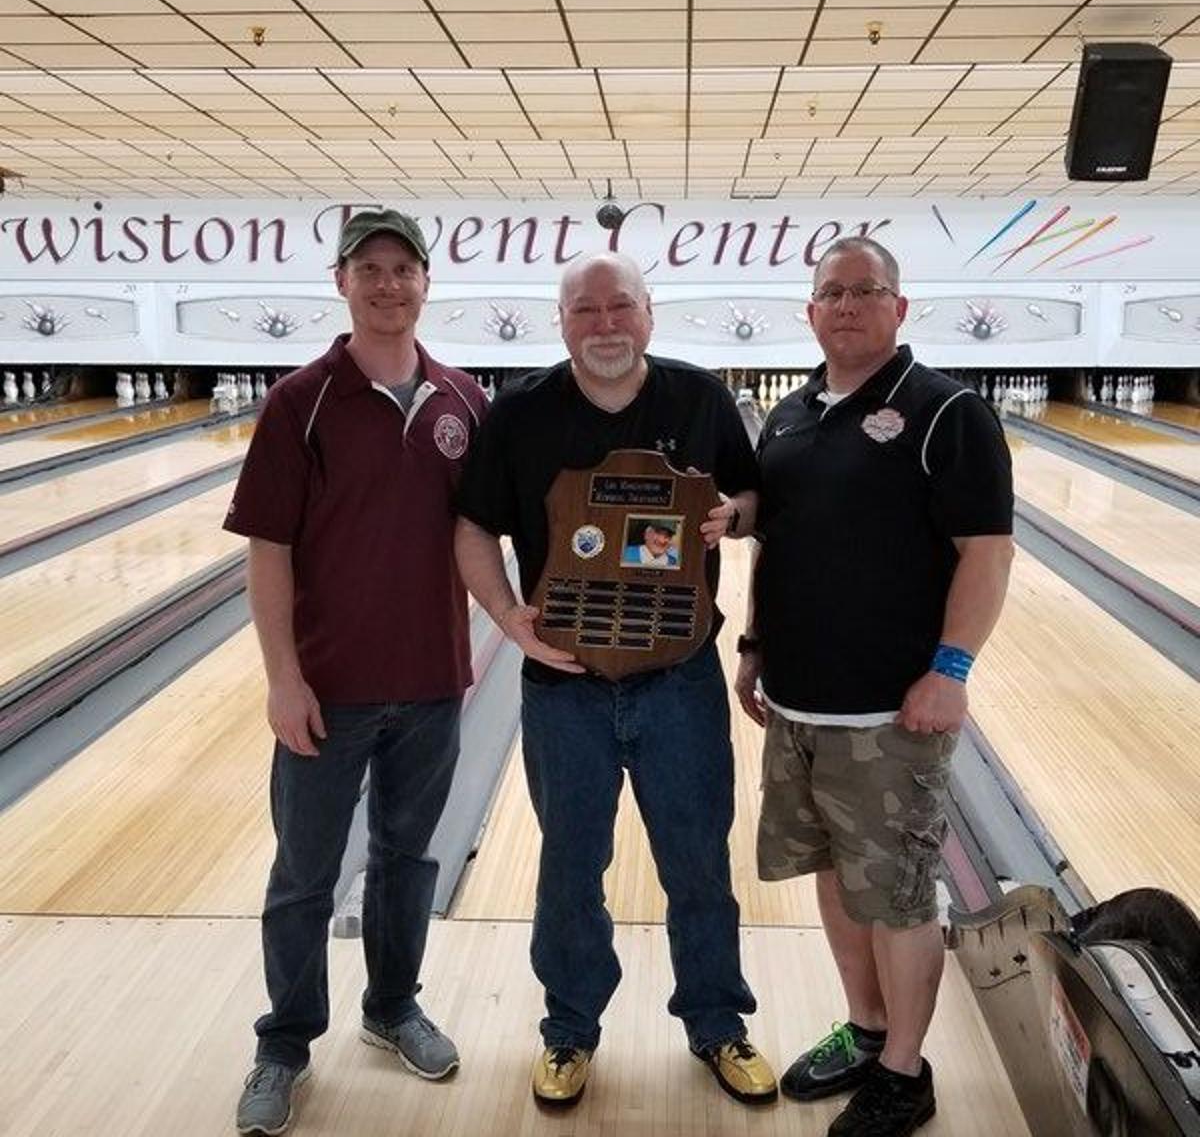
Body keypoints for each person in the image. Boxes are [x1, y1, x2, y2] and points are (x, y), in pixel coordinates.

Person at [454, 251, 777, 1108]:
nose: (605, 324)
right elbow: (473, 526)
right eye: (586, 310)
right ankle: (568, 1032)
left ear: (648, 313)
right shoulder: (519, 412)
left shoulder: (699, 397)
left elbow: (753, 496)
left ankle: (717, 1023)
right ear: (562, 322)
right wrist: (506, 616)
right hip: (564, 687)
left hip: (680, 680)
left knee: (698, 864)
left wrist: (732, 516)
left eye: (620, 307)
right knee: (568, 868)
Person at [735, 236, 1013, 1137]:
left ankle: (904, 1070)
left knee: (895, 893)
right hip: (796, 704)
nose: (847, 305)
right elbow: (775, 543)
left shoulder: (946, 413)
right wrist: (752, 645)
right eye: (831, 292)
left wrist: (952, 669)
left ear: (900, 306)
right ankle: (864, 1030)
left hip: (894, 710)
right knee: (833, 877)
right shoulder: (788, 418)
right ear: (809, 312)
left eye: (866, 290)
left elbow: (987, 551)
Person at [224, 210, 487, 1136]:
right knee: (303, 875)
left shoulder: (463, 399)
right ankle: (285, 1044)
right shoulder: (303, 400)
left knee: (408, 861)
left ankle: (392, 1008)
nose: (388, 284)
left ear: (427, 280)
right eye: (369, 268)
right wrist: (282, 678)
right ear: (342, 282)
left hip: (429, 683)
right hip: (326, 688)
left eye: (403, 267)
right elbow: (268, 551)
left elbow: (481, 537)